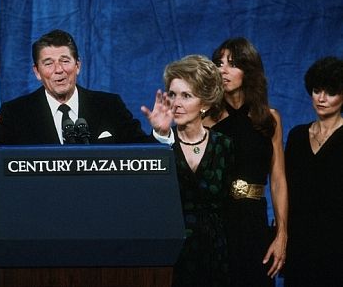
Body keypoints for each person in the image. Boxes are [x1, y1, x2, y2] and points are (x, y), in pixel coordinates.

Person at [0, 29, 152, 178]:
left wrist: (160, 134)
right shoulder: (16, 113)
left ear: (78, 65)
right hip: (42, 219)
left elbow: (146, 157)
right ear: (37, 72)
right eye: (48, 63)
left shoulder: (109, 105)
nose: (58, 70)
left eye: (65, 61)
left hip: (102, 213)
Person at [142, 55, 234, 286]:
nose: (176, 103)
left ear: (205, 103)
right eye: (172, 94)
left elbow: (228, 207)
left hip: (215, 255)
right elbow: (149, 194)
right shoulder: (159, 145)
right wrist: (161, 136)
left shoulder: (224, 145)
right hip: (171, 254)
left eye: (186, 95)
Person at [202, 37, 288, 287]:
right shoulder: (206, 121)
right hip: (217, 223)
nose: (223, 70)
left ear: (249, 71)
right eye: (219, 63)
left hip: (254, 222)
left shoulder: (269, 119)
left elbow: (279, 179)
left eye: (232, 64)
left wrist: (282, 234)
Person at [284, 57, 343, 287]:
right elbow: (286, 188)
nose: (322, 98)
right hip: (299, 240)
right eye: (317, 90)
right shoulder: (297, 136)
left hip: (337, 241)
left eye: (330, 92)